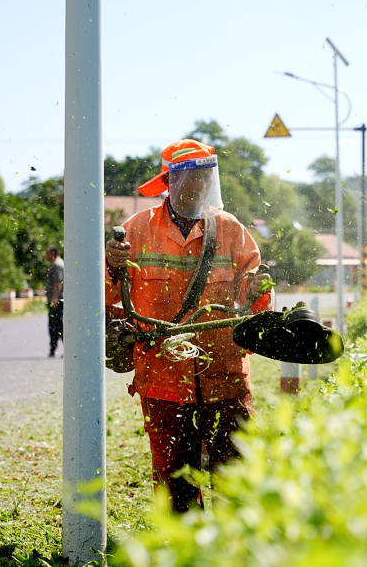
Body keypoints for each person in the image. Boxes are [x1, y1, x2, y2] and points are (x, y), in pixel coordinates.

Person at [104, 138, 273, 512]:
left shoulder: (230, 230)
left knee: (238, 481)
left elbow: (255, 302)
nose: (199, 187)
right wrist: (111, 265)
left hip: (225, 378)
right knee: (176, 485)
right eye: (191, 178)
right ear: (169, 182)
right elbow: (103, 296)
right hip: (163, 382)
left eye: (205, 178)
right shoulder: (136, 229)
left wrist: (259, 287)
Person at [45, 247, 64, 357]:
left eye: (47, 253)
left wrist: (54, 298)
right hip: (58, 300)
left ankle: (54, 349)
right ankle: (53, 349)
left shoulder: (57, 265)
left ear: (53, 253)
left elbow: (58, 282)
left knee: (56, 325)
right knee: (56, 325)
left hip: (57, 301)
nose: (46, 256)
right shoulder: (58, 263)